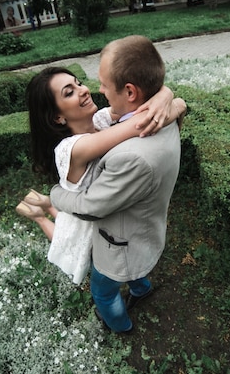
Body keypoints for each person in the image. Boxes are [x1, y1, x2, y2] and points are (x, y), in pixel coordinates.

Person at [48, 35, 182, 333]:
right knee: (135, 270)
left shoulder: (131, 156)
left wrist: (55, 194)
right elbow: (174, 105)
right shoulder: (162, 116)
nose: (96, 90)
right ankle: (141, 289)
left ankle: (121, 327)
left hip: (120, 240)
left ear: (130, 91)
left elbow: (91, 207)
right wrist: (167, 95)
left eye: (104, 84)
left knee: (104, 292)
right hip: (144, 224)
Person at [16, 64, 185, 285]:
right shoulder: (72, 148)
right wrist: (170, 100)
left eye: (78, 83)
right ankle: (39, 214)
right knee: (93, 277)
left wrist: (167, 95)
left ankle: (46, 205)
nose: (84, 90)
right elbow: (139, 122)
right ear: (57, 117)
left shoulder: (99, 120)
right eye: (69, 92)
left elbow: (143, 107)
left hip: (104, 212)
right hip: (84, 218)